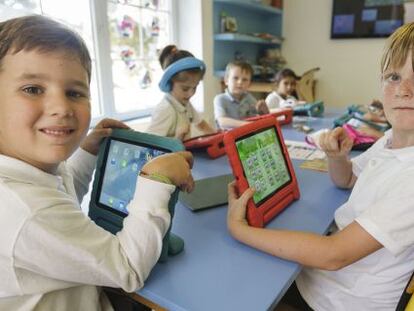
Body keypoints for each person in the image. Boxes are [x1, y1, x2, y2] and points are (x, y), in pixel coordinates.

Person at [0, 15, 195, 310]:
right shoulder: (25, 212)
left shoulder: (28, 174)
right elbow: (127, 269)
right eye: (33, 89)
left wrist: (87, 151)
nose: (62, 107)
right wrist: (156, 179)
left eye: (75, 93)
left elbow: (61, 199)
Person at [227, 22, 414, 310]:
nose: (404, 90)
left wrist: (240, 229)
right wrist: (337, 157)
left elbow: (333, 255)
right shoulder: (392, 139)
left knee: (237, 290)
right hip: (329, 280)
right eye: (393, 76)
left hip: (337, 300)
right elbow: (348, 180)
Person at [146, 45, 215, 141]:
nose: (191, 94)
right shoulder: (165, 109)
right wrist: (177, 138)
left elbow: (202, 125)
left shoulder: (185, 103)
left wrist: (218, 137)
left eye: (194, 87)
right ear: (169, 84)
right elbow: (149, 146)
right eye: (185, 89)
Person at [214, 60, 269, 129]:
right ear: (226, 80)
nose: (240, 82)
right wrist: (249, 125)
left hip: (244, 136)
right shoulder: (220, 99)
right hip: (226, 137)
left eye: (245, 80)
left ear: (249, 84)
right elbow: (222, 122)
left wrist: (264, 112)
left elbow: (259, 118)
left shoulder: (249, 98)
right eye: (235, 78)